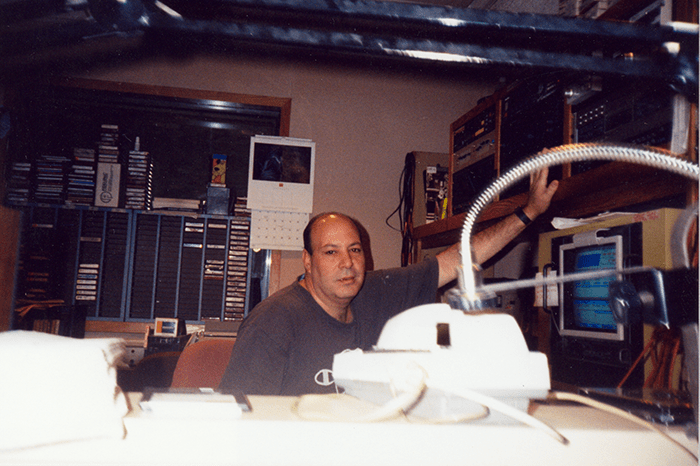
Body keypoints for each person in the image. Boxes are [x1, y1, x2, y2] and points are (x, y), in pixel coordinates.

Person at [219, 170, 559, 396]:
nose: (347, 263)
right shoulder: (274, 321)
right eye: (330, 252)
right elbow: (239, 419)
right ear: (307, 260)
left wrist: (528, 212)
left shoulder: (375, 292)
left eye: (355, 250)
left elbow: (455, 260)